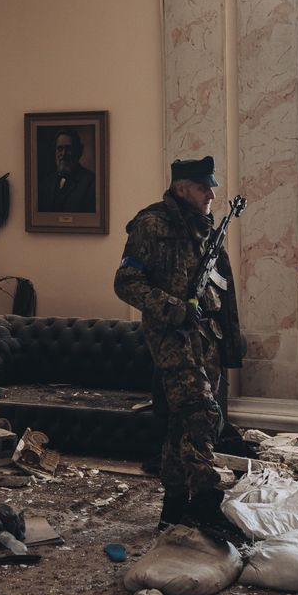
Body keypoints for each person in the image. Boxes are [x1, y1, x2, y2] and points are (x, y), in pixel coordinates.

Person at [114, 156, 245, 537]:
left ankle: (173, 507)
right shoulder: (151, 224)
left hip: (205, 335)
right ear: (182, 187)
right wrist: (173, 309)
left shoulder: (203, 229)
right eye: (204, 187)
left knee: (180, 422)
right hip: (171, 336)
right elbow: (126, 283)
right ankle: (205, 501)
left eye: (212, 187)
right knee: (203, 413)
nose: (211, 194)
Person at [36, 129, 96, 213]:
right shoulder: (45, 183)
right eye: (60, 148)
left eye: (69, 149)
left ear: (78, 151)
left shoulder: (91, 183)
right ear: (55, 151)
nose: (63, 154)